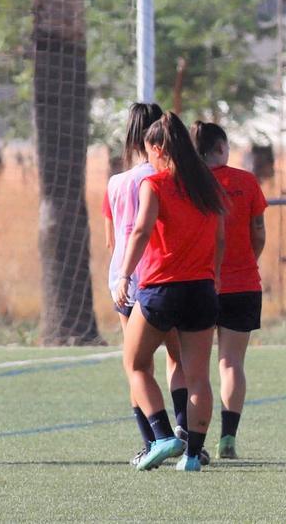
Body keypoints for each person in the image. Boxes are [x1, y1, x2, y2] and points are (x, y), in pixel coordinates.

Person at [115, 112, 226, 472]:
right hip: (201, 291)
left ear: (159, 148)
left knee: (135, 363)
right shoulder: (207, 184)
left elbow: (141, 231)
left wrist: (124, 275)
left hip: (161, 288)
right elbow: (220, 239)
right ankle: (193, 455)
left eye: (149, 151)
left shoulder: (157, 184)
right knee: (198, 376)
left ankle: (162, 435)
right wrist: (216, 277)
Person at [104, 103, 195, 469]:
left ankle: (151, 440)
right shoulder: (161, 178)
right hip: (159, 275)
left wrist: (121, 275)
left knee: (135, 364)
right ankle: (187, 437)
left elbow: (113, 240)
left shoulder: (115, 182)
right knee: (177, 356)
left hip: (125, 280)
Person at [191, 121, 268, 460]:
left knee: (194, 367)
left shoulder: (189, 184)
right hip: (243, 282)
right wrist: (248, 259)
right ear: (221, 147)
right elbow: (260, 232)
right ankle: (228, 439)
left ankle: (193, 439)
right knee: (232, 363)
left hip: (201, 281)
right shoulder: (246, 181)